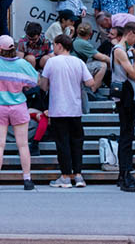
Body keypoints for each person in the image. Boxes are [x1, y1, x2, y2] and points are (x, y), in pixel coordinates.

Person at [0, 35, 38, 191]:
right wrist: (23, 85)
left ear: (0, 48)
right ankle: (27, 180)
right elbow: (34, 80)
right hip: (18, 105)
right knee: (23, 144)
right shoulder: (21, 63)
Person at [40, 35, 94, 188]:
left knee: (62, 143)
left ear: (59, 45)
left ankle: (65, 176)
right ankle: (78, 175)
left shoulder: (51, 62)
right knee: (77, 143)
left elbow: (44, 85)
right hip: (75, 109)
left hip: (58, 109)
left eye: (54, 45)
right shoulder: (79, 62)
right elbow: (90, 82)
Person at [111, 22, 135, 192]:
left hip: (127, 93)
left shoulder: (123, 49)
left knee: (128, 134)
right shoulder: (120, 50)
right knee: (126, 135)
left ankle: (125, 174)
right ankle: (124, 175)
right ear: (130, 33)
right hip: (125, 94)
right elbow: (133, 74)